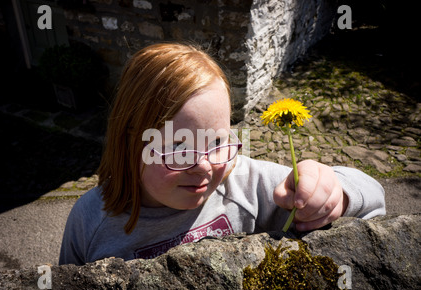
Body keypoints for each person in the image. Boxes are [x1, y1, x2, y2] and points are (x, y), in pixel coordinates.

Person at [59, 43, 385, 265]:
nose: (203, 166)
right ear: (132, 141)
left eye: (217, 142)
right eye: (177, 146)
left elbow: (374, 200)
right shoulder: (90, 221)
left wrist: (332, 193)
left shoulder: (242, 183)